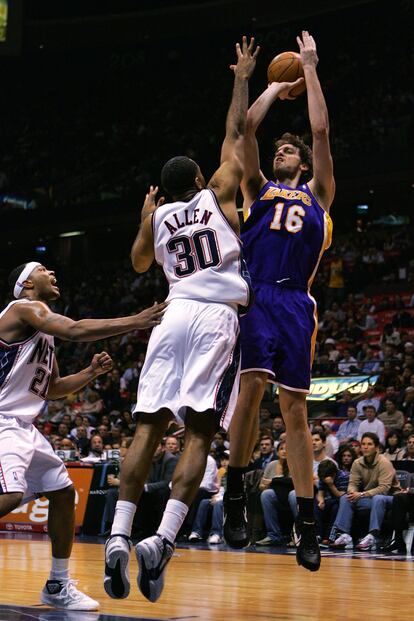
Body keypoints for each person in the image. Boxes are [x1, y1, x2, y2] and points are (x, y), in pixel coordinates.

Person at [104, 37, 259, 604]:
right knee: (198, 430)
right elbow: (237, 136)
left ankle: (119, 535)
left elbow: (139, 262)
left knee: (146, 427)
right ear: (199, 177)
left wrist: (145, 218)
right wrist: (241, 77)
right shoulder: (215, 193)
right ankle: (162, 540)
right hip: (215, 316)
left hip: (169, 317)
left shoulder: (161, 215)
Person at [223, 30, 335, 573]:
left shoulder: (319, 193)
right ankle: (235, 498)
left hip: (297, 303)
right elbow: (246, 127)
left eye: (289, 150)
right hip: (259, 297)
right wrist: (273, 84)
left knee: (295, 413)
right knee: (249, 394)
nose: (283, 150)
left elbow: (319, 128)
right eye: (280, 149)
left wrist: (310, 69)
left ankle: (308, 525)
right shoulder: (257, 190)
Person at [0, 261, 166, 610]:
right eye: (44, 270)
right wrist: (134, 321)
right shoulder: (23, 309)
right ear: (26, 283)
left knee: (62, 494)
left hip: (25, 428)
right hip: (3, 422)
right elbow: (75, 330)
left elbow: (54, 388)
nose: (54, 274)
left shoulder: (41, 331)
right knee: (11, 495)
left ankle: (58, 585)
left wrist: (90, 372)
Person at [329, 433, 400, 550]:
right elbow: (353, 483)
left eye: (369, 444)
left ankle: (373, 536)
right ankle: (345, 535)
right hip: (370, 497)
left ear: (377, 448)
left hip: (391, 498)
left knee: (378, 498)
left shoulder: (384, 463)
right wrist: (352, 492)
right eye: (363, 444)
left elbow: (384, 489)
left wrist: (361, 494)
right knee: (346, 497)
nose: (365, 447)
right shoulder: (357, 463)